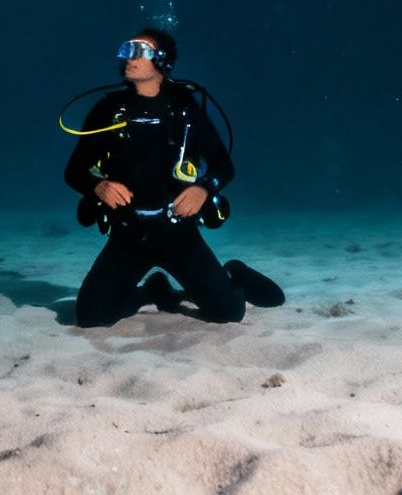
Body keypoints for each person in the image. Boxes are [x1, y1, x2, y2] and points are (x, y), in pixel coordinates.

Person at [63, 27, 283, 327]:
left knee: (227, 313)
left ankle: (233, 272)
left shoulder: (185, 110)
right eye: (127, 50)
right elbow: (74, 171)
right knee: (90, 317)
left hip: (178, 233)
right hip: (128, 232)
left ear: (162, 62)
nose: (130, 58)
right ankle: (150, 290)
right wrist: (98, 185)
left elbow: (223, 165)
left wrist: (203, 189)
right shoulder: (109, 110)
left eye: (140, 51)